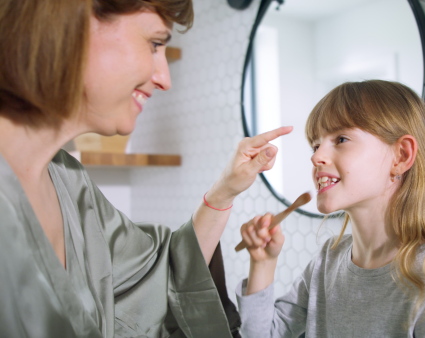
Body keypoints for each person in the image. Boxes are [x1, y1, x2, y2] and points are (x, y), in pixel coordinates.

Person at [0, 0, 292, 336]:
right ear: (70, 23)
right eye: (155, 44)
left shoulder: (70, 182)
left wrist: (224, 190)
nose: (164, 79)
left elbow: (158, 277)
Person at [236, 80, 425, 337]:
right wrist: (263, 263)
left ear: (401, 156)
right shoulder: (327, 262)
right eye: (316, 145)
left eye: (341, 139)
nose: (316, 156)